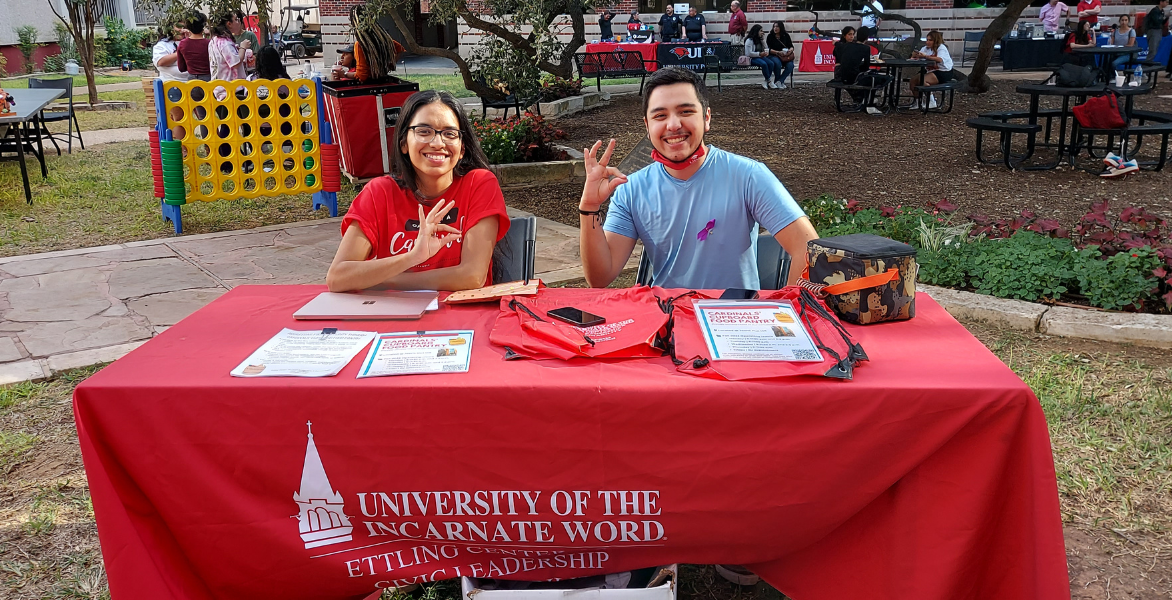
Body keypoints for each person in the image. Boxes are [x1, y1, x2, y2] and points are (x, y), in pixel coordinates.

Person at [577, 67, 819, 292]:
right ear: (647, 126)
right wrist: (589, 207)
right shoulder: (631, 189)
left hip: (735, 322)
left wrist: (786, 311)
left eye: (686, 112)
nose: (673, 125)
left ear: (707, 118)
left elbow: (808, 248)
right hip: (668, 321)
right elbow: (600, 278)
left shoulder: (748, 176)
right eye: (660, 115)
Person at [328, 90, 510, 292]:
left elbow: (472, 277)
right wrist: (412, 257)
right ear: (404, 143)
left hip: (464, 317)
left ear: (462, 149)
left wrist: (385, 281)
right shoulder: (379, 192)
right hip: (397, 318)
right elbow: (338, 278)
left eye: (450, 134)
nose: (437, 143)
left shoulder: (479, 184)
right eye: (424, 131)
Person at [834, 26, 885, 115]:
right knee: (874, 77)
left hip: (842, 75)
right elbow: (866, 66)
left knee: (869, 76)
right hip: (853, 78)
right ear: (866, 38)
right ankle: (869, 104)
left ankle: (864, 99)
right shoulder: (865, 48)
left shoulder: (846, 45)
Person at [909, 29, 954, 110]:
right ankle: (917, 102)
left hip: (943, 72)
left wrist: (925, 56)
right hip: (931, 70)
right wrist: (915, 55)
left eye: (930, 40)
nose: (927, 42)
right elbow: (919, 56)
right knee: (913, 80)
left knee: (922, 80)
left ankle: (932, 101)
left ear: (935, 41)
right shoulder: (925, 48)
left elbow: (939, 59)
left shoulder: (941, 48)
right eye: (927, 40)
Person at [209, 12, 252, 81]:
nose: (239, 22)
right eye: (236, 19)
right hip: (230, 87)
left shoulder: (214, 40)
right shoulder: (225, 43)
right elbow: (236, 63)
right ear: (229, 24)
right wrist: (243, 48)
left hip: (220, 85)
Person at [176, 11, 211, 82]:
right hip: (209, 79)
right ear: (203, 26)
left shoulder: (183, 43)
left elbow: (181, 68)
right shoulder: (210, 43)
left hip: (192, 80)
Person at [745, 25, 779, 89]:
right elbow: (748, 53)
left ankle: (766, 81)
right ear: (756, 31)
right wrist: (759, 54)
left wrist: (763, 40)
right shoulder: (749, 40)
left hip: (760, 56)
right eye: (761, 31)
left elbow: (766, 48)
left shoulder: (760, 40)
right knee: (764, 64)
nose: (762, 32)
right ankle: (769, 80)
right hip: (752, 58)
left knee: (771, 63)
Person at [765, 21, 796, 89]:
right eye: (774, 27)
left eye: (777, 27)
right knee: (777, 63)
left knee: (790, 65)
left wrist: (790, 50)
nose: (775, 28)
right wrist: (778, 52)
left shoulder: (786, 35)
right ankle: (777, 80)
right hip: (774, 55)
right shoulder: (770, 36)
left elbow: (791, 46)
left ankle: (780, 81)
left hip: (785, 56)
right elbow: (769, 49)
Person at [229, 9, 260, 76]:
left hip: (249, 72)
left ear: (240, 22)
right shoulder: (227, 38)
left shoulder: (250, 35)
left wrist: (247, 58)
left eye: (237, 20)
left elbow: (257, 54)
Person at [1145, 0, 1168, 69]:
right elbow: (1156, 21)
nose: (1167, 3)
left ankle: (1147, 67)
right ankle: (1144, 68)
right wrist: (1164, 17)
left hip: (1158, 31)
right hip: (1153, 31)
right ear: (1161, 2)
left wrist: (1167, 17)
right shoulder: (1155, 11)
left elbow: (1162, 23)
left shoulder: (1161, 11)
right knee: (1152, 50)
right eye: (1166, 2)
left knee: (1154, 50)